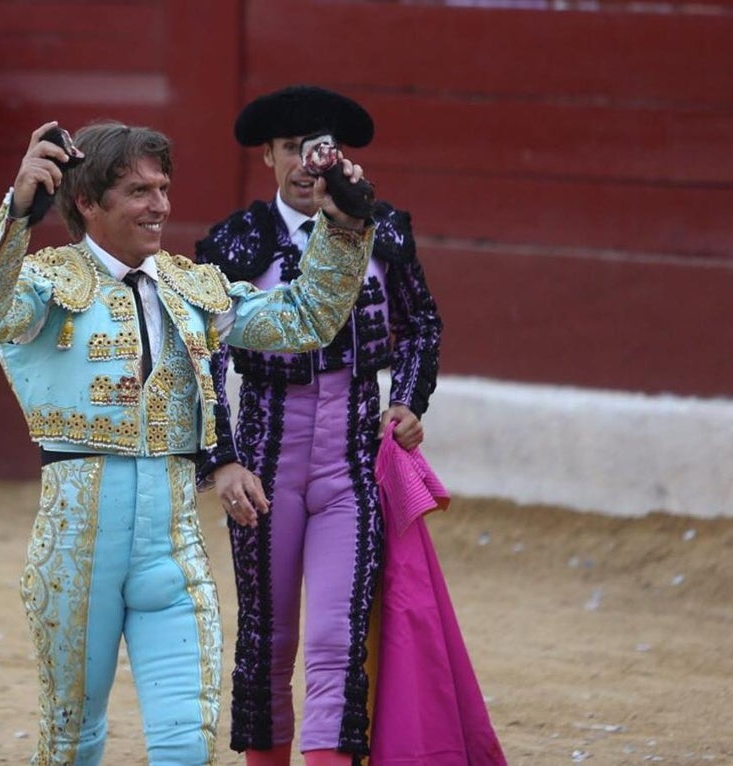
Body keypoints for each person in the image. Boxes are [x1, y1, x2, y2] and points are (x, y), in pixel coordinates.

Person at [0, 119, 375, 766]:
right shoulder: (45, 283)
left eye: (164, 187)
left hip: (170, 551)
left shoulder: (189, 287)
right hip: (76, 552)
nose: (161, 206)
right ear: (89, 203)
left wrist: (343, 229)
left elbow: (305, 318)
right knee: (72, 739)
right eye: (140, 192)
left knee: (186, 745)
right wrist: (15, 215)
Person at [195, 85, 445, 766]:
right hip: (266, 465)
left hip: (352, 465)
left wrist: (411, 400)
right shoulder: (234, 242)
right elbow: (203, 360)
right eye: (290, 151)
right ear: (269, 157)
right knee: (267, 638)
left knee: (338, 637)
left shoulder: (380, 229)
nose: (306, 166)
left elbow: (421, 323)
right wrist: (223, 460)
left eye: (320, 151)